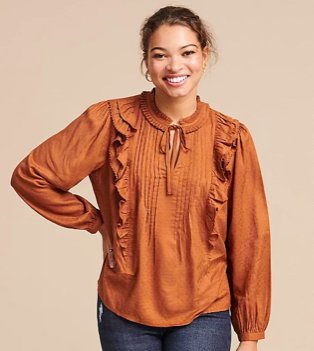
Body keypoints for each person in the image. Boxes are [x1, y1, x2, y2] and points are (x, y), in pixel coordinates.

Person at [10, 5, 271, 351]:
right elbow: (31, 176)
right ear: (147, 64)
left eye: (187, 53)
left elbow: (250, 235)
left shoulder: (232, 137)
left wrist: (250, 333)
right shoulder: (110, 120)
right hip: (124, 306)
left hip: (204, 309)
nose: (175, 66)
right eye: (160, 55)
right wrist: (97, 222)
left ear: (204, 57)